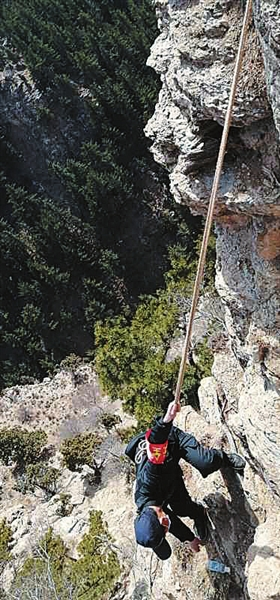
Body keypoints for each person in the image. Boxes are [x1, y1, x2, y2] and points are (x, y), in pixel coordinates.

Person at [125, 400, 245, 560]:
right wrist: (190, 538)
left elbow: (156, 446)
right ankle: (199, 514)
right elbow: (172, 522)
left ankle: (225, 458)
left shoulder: (149, 482)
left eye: (164, 531)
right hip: (168, 475)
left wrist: (166, 420)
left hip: (170, 442)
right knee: (181, 508)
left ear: (161, 519)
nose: (167, 531)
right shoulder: (149, 511)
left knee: (205, 462)